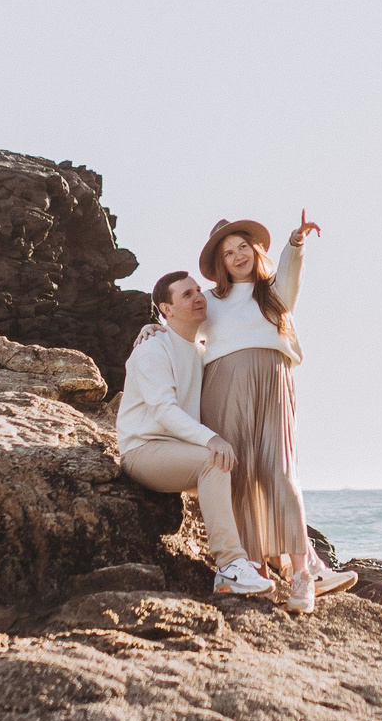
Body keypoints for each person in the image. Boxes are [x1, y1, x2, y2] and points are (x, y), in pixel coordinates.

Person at [199, 210, 358, 611]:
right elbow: (181, 329)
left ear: (254, 250)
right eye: (228, 253)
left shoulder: (272, 293)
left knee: (280, 470)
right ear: (220, 263)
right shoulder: (208, 302)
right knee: (239, 472)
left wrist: (296, 242)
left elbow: (291, 274)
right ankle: (254, 569)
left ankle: (303, 574)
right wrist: (152, 330)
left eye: (242, 248)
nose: (237, 257)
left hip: (273, 381)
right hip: (222, 384)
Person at [116, 270, 275, 597]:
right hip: (145, 452)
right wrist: (211, 439)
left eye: (198, 290)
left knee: (249, 470)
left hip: (181, 453)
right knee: (214, 459)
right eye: (186, 294)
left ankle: (271, 561)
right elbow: (163, 410)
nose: (198, 297)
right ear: (167, 309)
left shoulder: (201, 352)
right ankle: (230, 567)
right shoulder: (152, 349)